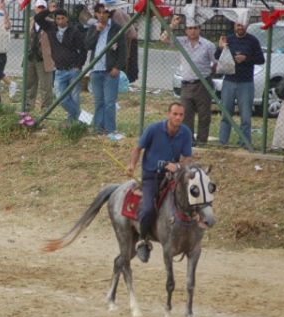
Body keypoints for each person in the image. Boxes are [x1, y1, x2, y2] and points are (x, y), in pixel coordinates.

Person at [127, 102, 193, 262]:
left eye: (181, 115)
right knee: (148, 207)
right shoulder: (153, 129)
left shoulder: (186, 133)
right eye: (175, 114)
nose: (178, 117)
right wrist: (131, 165)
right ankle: (143, 241)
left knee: (192, 201)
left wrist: (177, 166)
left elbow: (187, 157)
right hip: (151, 176)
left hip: (173, 176)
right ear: (168, 114)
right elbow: (138, 149)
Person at [160, 15, 216, 145]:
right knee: (186, 115)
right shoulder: (182, 42)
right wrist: (173, 25)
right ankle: (189, 141)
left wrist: (208, 76)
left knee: (204, 115)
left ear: (199, 29)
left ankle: (202, 141)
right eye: (190, 28)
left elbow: (216, 62)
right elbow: (163, 38)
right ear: (186, 30)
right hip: (186, 84)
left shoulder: (208, 45)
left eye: (195, 28)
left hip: (203, 84)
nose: (192, 31)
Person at [215, 20, 264, 147]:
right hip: (229, 81)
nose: (240, 27)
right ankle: (223, 141)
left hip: (246, 82)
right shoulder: (228, 39)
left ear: (246, 26)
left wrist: (246, 59)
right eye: (238, 24)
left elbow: (261, 59)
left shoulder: (253, 41)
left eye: (242, 24)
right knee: (226, 113)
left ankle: (244, 142)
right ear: (234, 26)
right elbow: (217, 56)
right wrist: (220, 48)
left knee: (246, 115)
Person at [34, 7, 87, 121]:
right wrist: (49, 10)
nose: (61, 21)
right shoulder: (50, 28)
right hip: (59, 70)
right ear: (55, 19)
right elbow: (37, 18)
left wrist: (79, 65)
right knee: (60, 97)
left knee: (74, 97)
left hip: (73, 69)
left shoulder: (74, 30)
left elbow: (83, 49)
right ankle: (81, 117)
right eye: (58, 19)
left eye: (63, 18)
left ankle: (73, 122)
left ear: (67, 18)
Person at [84, 1, 126, 136]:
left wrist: (117, 67)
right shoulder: (93, 27)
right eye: (99, 12)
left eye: (104, 12)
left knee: (109, 102)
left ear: (109, 14)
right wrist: (96, 31)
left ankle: (110, 130)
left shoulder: (116, 28)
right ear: (95, 14)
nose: (102, 15)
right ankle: (98, 129)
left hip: (110, 70)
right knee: (99, 102)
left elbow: (123, 51)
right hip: (96, 69)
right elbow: (87, 45)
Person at [25, 0, 55, 112]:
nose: (41, 10)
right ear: (35, 9)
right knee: (29, 84)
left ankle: (46, 108)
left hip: (44, 58)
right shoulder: (30, 21)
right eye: (39, 7)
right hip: (30, 56)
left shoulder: (50, 23)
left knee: (45, 86)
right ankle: (28, 106)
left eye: (43, 8)